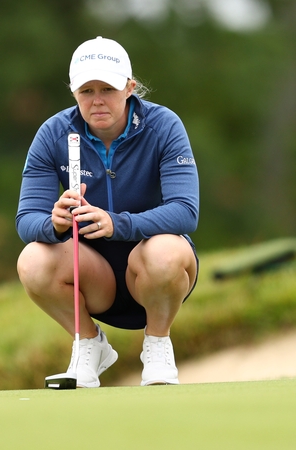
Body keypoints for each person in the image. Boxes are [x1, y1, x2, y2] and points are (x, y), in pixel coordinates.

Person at [16, 36, 199, 387]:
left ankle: (158, 345)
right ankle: (89, 344)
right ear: (74, 92)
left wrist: (118, 224)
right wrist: (54, 224)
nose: (97, 100)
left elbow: (185, 211)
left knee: (165, 252)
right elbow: (27, 220)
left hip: (154, 272)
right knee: (32, 260)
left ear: (129, 88)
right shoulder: (53, 134)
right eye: (87, 91)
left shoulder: (164, 126)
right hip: (92, 277)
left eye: (108, 89)